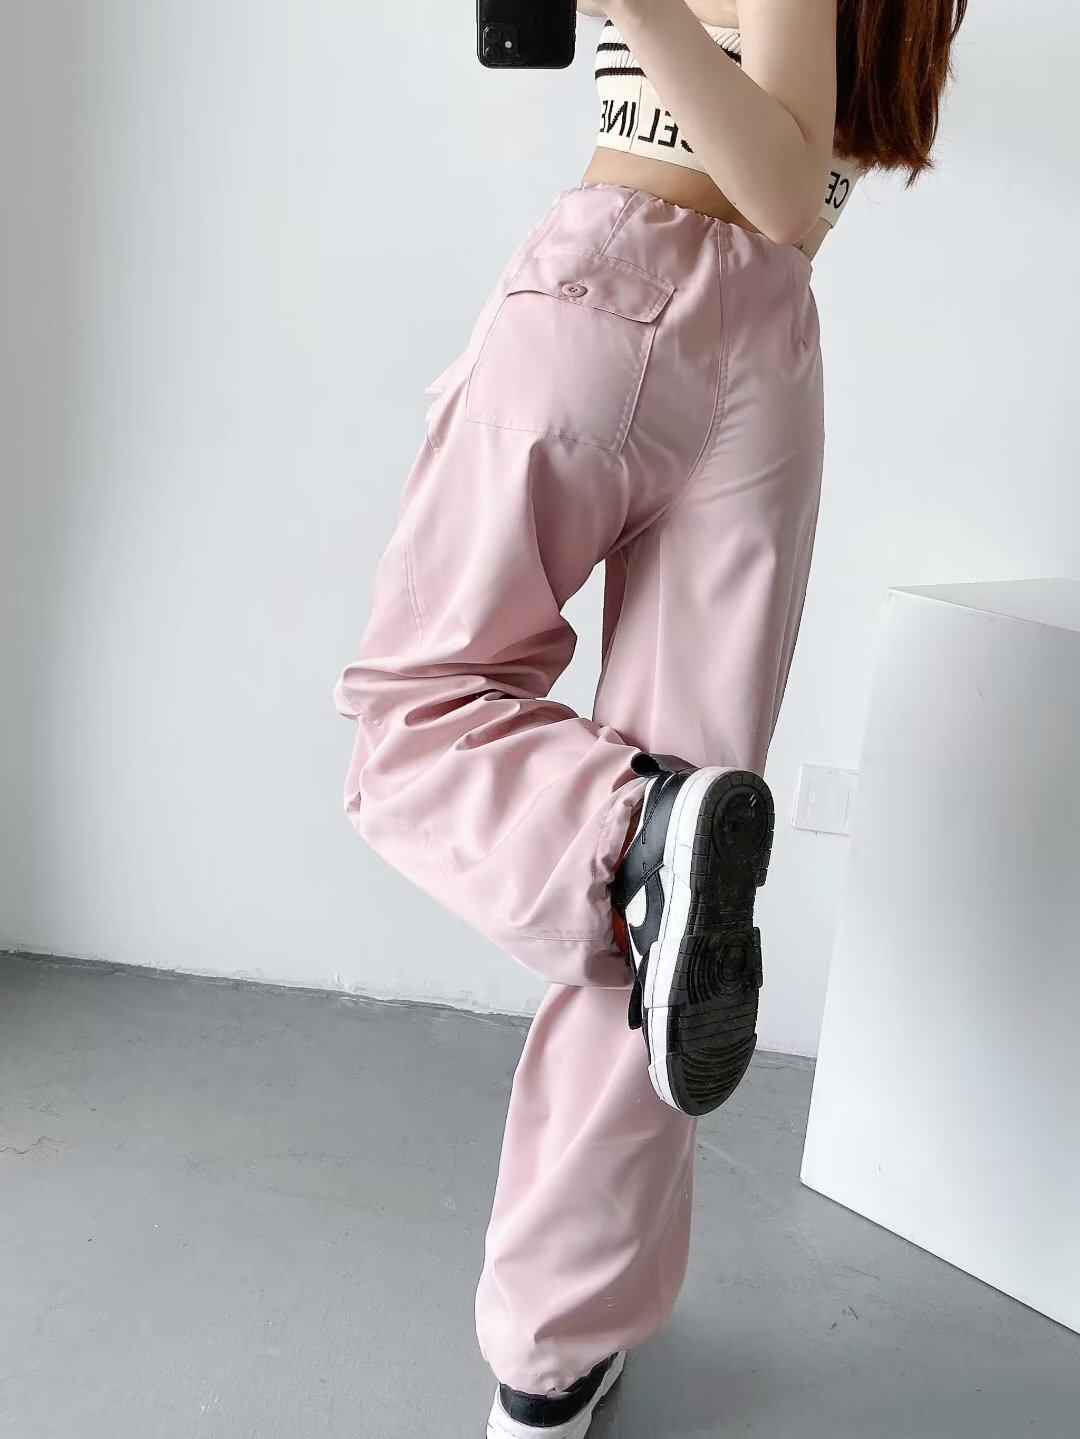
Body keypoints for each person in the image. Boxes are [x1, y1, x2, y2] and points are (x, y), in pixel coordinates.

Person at [333, 0, 967, 1432]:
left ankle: (636, 837)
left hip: (617, 298)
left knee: (419, 713)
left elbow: (782, 185)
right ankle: (551, 1365)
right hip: (760, 368)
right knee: (673, 932)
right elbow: (800, 188)